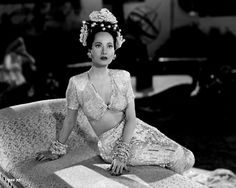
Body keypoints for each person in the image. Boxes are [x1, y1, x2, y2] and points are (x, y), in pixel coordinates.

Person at [36, 8, 195, 176]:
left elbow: (131, 118)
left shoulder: (123, 77)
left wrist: (123, 151)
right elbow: (69, 120)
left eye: (109, 46)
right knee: (176, 156)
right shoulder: (77, 83)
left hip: (136, 130)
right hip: (111, 144)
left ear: (114, 51)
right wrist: (57, 149)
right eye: (98, 45)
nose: (104, 51)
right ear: (90, 50)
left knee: (188, 157)